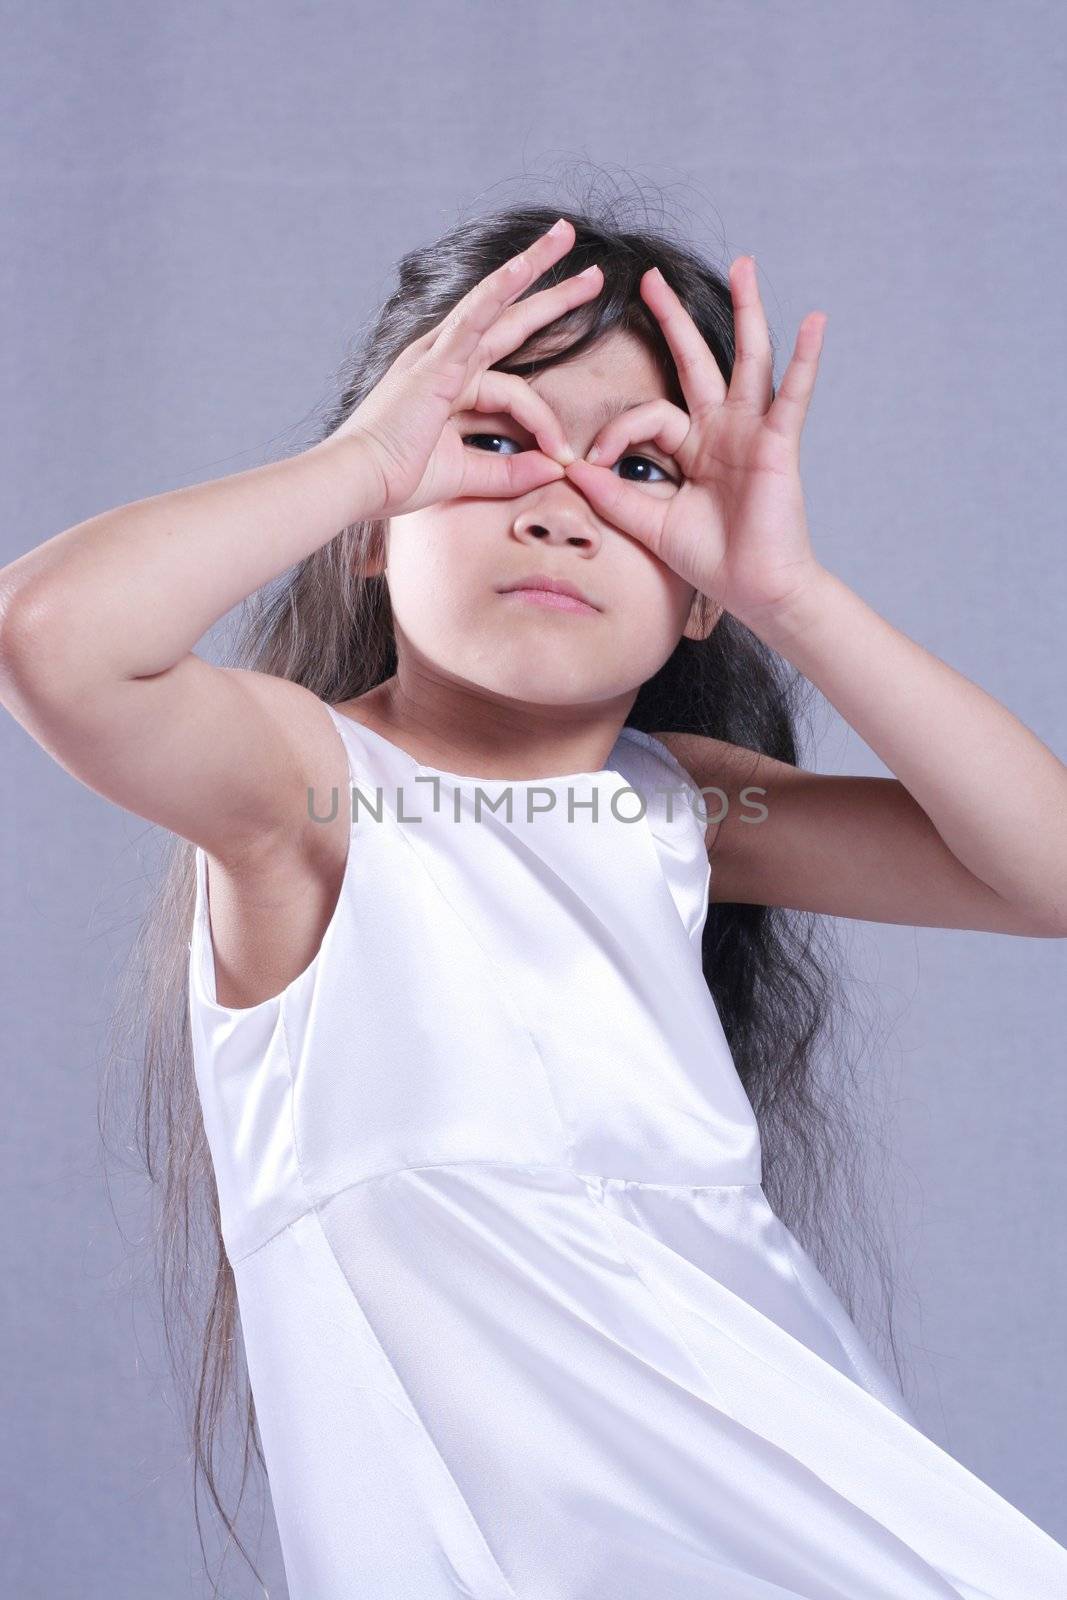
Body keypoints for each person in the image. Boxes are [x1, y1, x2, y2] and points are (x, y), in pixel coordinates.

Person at [2, 204, 1065, 1599]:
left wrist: (792, 593)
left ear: (696, 598)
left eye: (639, 466)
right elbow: (53, 641)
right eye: (494, 441)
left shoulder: (685, 806)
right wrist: (359, 463)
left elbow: (1042, 869)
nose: (561, 505)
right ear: (373, 533)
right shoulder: (302, 795)